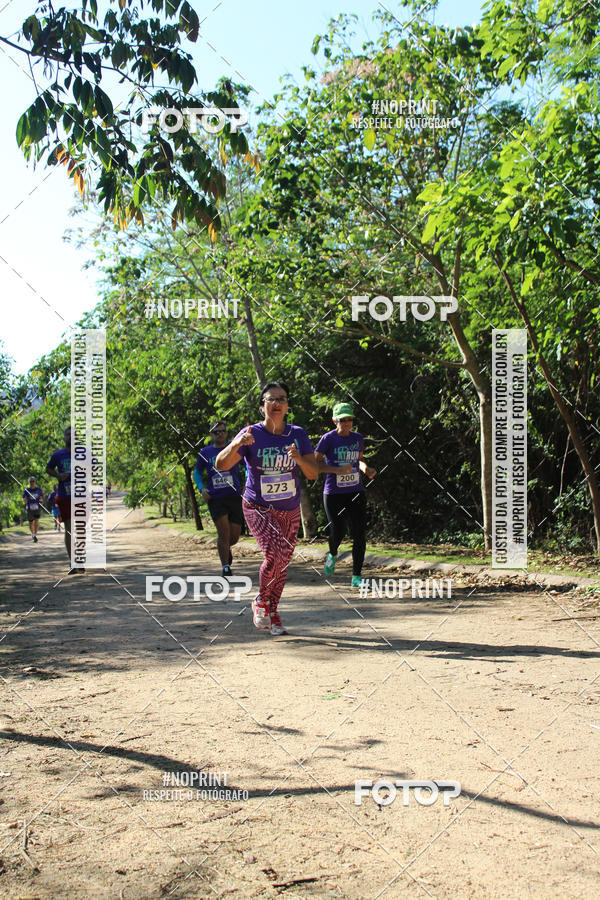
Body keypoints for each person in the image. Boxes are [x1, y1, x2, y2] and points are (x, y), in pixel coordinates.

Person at [215, 382, 318, 636]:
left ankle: (272, 611)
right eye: (271, 399)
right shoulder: (251, 434)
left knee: (282, 563)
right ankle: (261, 601)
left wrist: (299, 459)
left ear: (287, 406)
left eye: (282, 399)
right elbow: (221, 464)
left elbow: (313, 473)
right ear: (263, 406)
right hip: (257, 506)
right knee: (274, 556)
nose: (277, 403)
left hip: (290, 509)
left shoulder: (298, 434)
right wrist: (237, 443)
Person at [315, 402, 376, 587]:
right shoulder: (327, 439)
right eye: (343, 419)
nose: (347, 422)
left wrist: (366, 470)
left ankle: (357, 576)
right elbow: (314, 464)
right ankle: (332, 553)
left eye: (350, 419)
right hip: (334, 493)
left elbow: (358, 461)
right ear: (335, 420)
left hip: (355, 491)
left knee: (359, 533)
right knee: (338, 530)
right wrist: (336, 469)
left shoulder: (357, 438)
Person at [193, 421, 244, 576]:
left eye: (222, 431)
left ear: (226, 433)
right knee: (223, 532)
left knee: (233, 537)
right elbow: (197, 472)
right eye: (216, 432)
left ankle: (225, 548)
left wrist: (247, 483)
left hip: (234, 495)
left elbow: (247, 466)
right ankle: (225, 568)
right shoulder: (205, 452)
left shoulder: (235, 448)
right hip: (216, 497)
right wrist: (202, 488)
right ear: (211, 435)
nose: (220, 434)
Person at [46, 425, 83, 573]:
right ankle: (73, 562)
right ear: (64, 438)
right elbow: (48, 468)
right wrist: (58, 476)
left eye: (72, 435)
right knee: (69, 528)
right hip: (64, 495)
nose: (69, 437)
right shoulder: (57, 455)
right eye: (67, 435)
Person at [22, 476, 43, 543]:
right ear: (29, 482)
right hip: (29, 508)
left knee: (36, 521)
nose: (32, 483)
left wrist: (42, 501)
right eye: (31, 481)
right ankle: (33, 534)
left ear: (35, 482)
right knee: (31, 523)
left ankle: (34, 535)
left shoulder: (39, 489)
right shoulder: (26, 490)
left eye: (33, 481)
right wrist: (24, 499)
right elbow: (23, 499)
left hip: (37, 508)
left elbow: (41, 497)